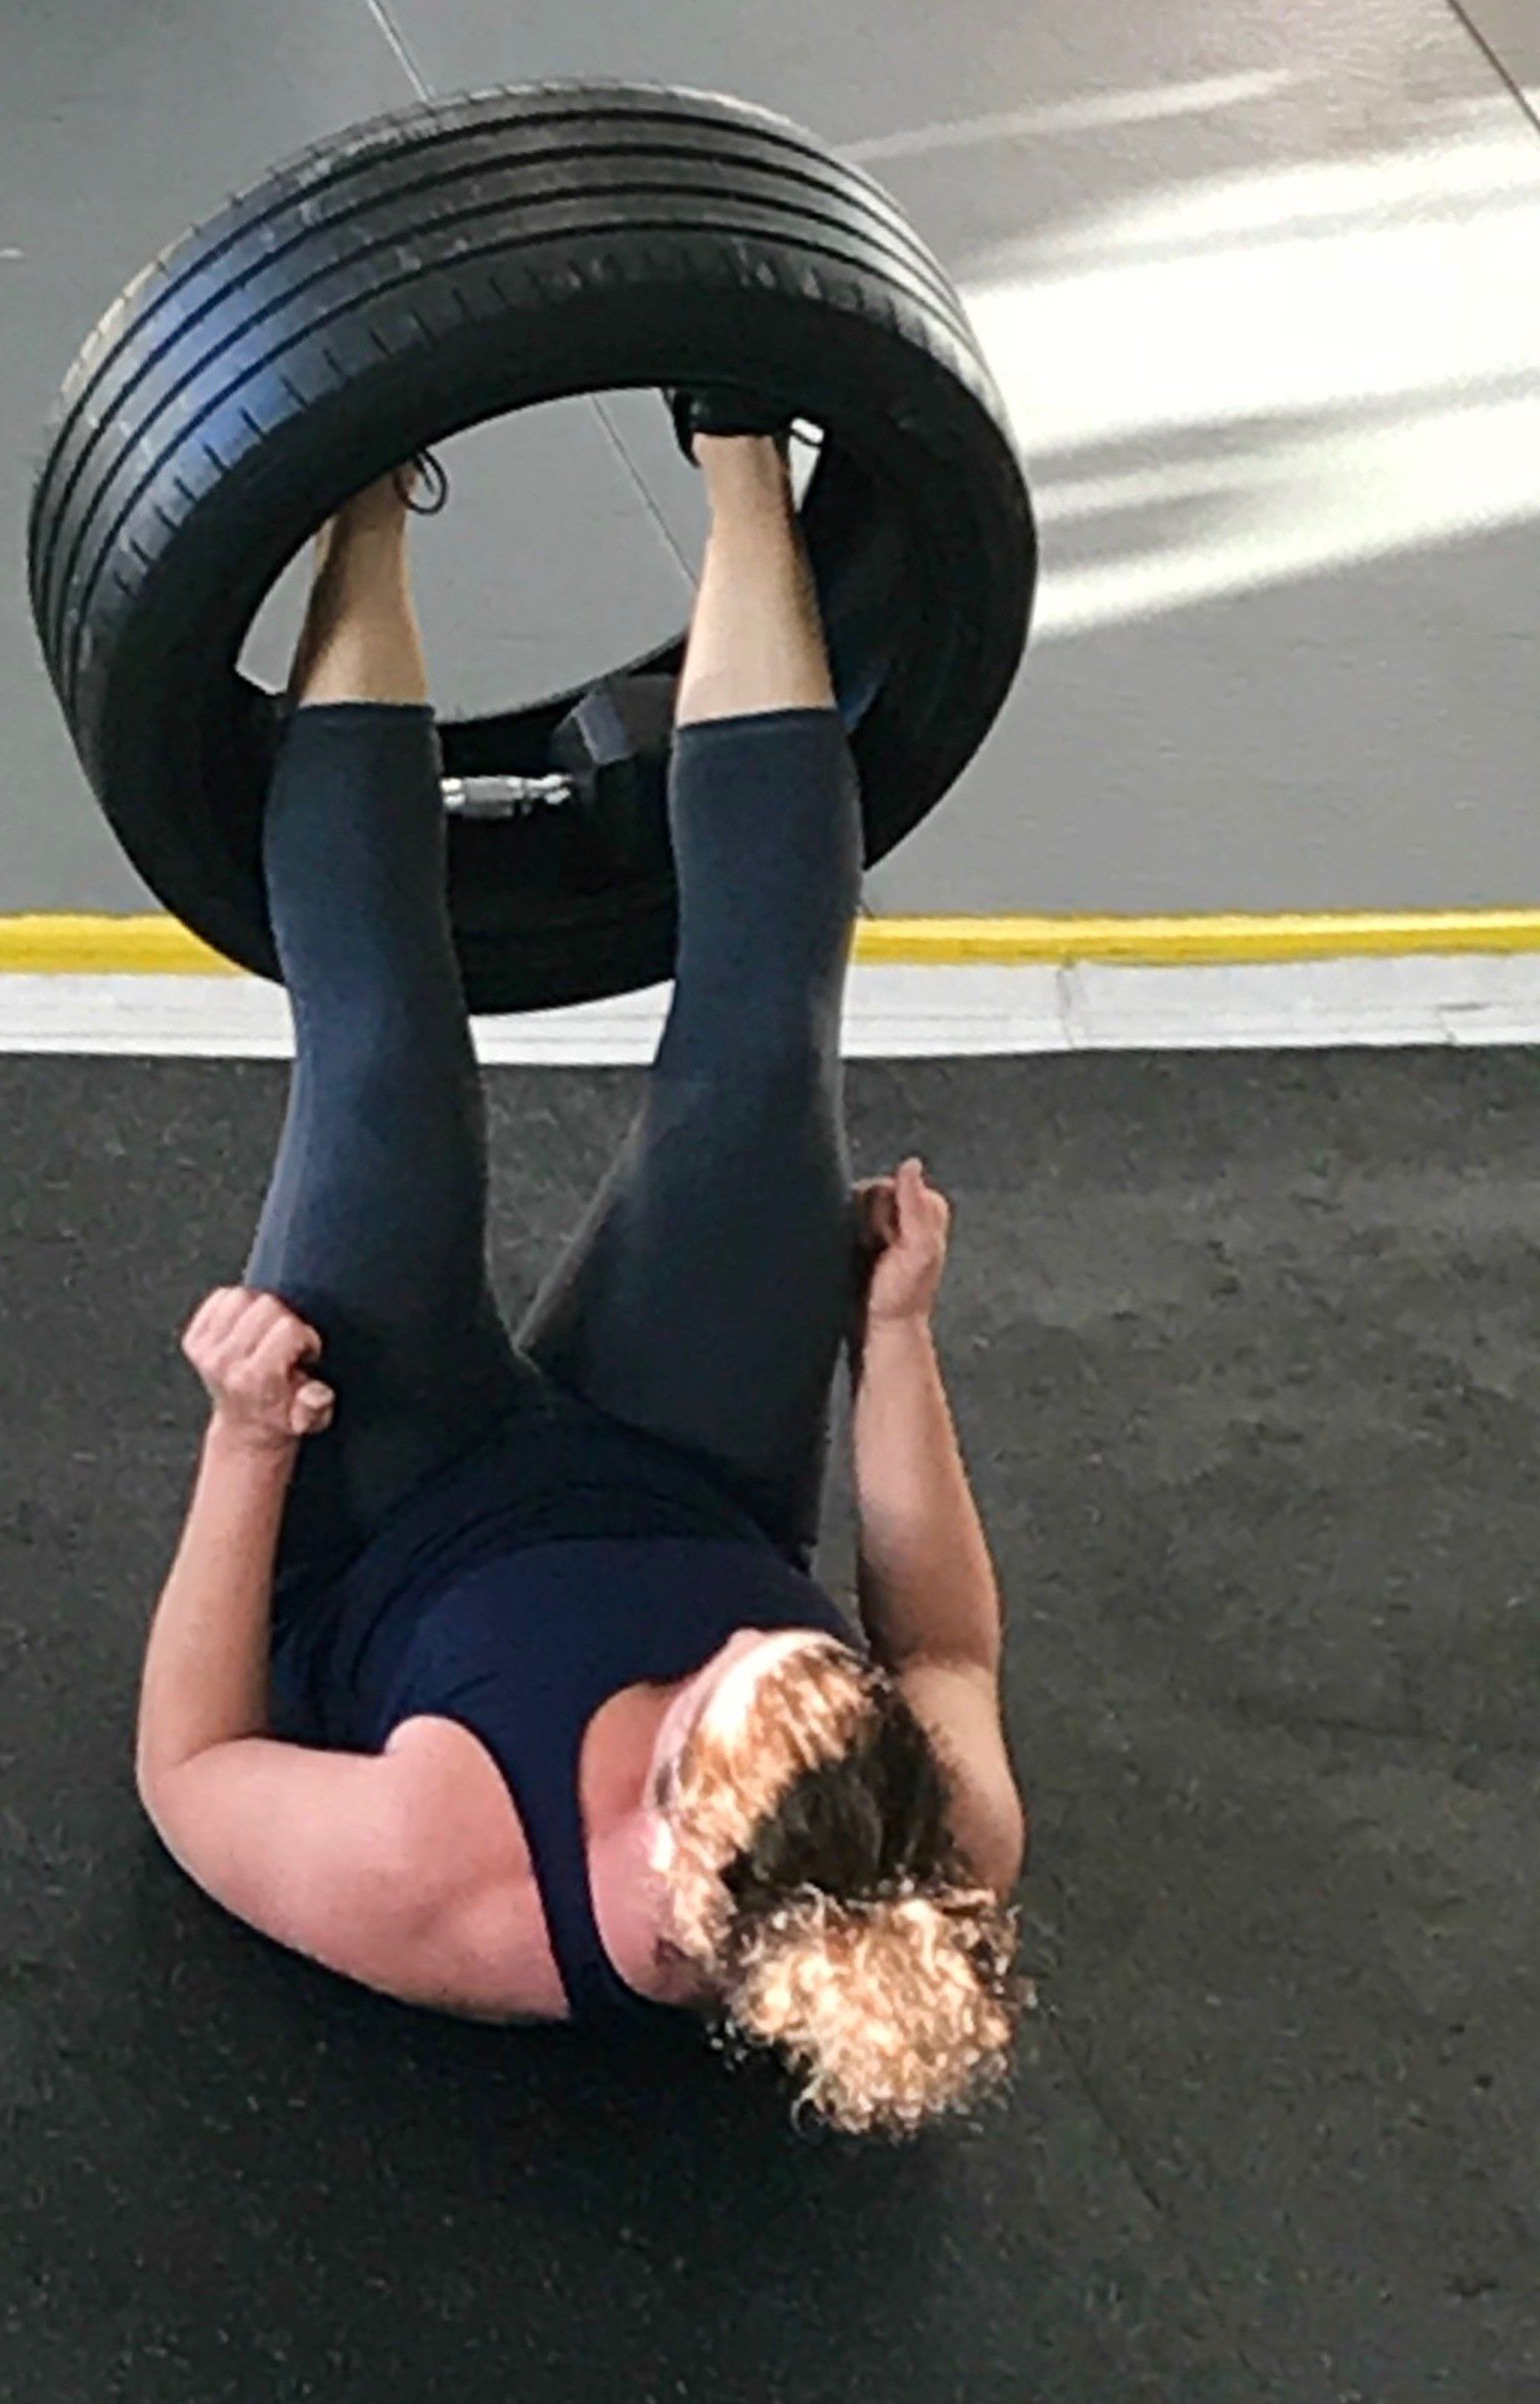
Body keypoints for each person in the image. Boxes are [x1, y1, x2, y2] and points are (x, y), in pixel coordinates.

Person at [136, 397, 1030, 2142]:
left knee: (391, 1059)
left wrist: (246, 1438)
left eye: (724, 1678)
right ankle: (749, 448)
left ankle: (365, 503)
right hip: (683, 1466)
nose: (754, 1640)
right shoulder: (939, 1828)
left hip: (392, 1515)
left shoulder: (454, 1873)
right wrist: (898, 1339)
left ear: (673, 1811)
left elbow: (188, 1769)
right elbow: (953, 1647)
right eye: (809, 1657)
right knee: (768, 1045)